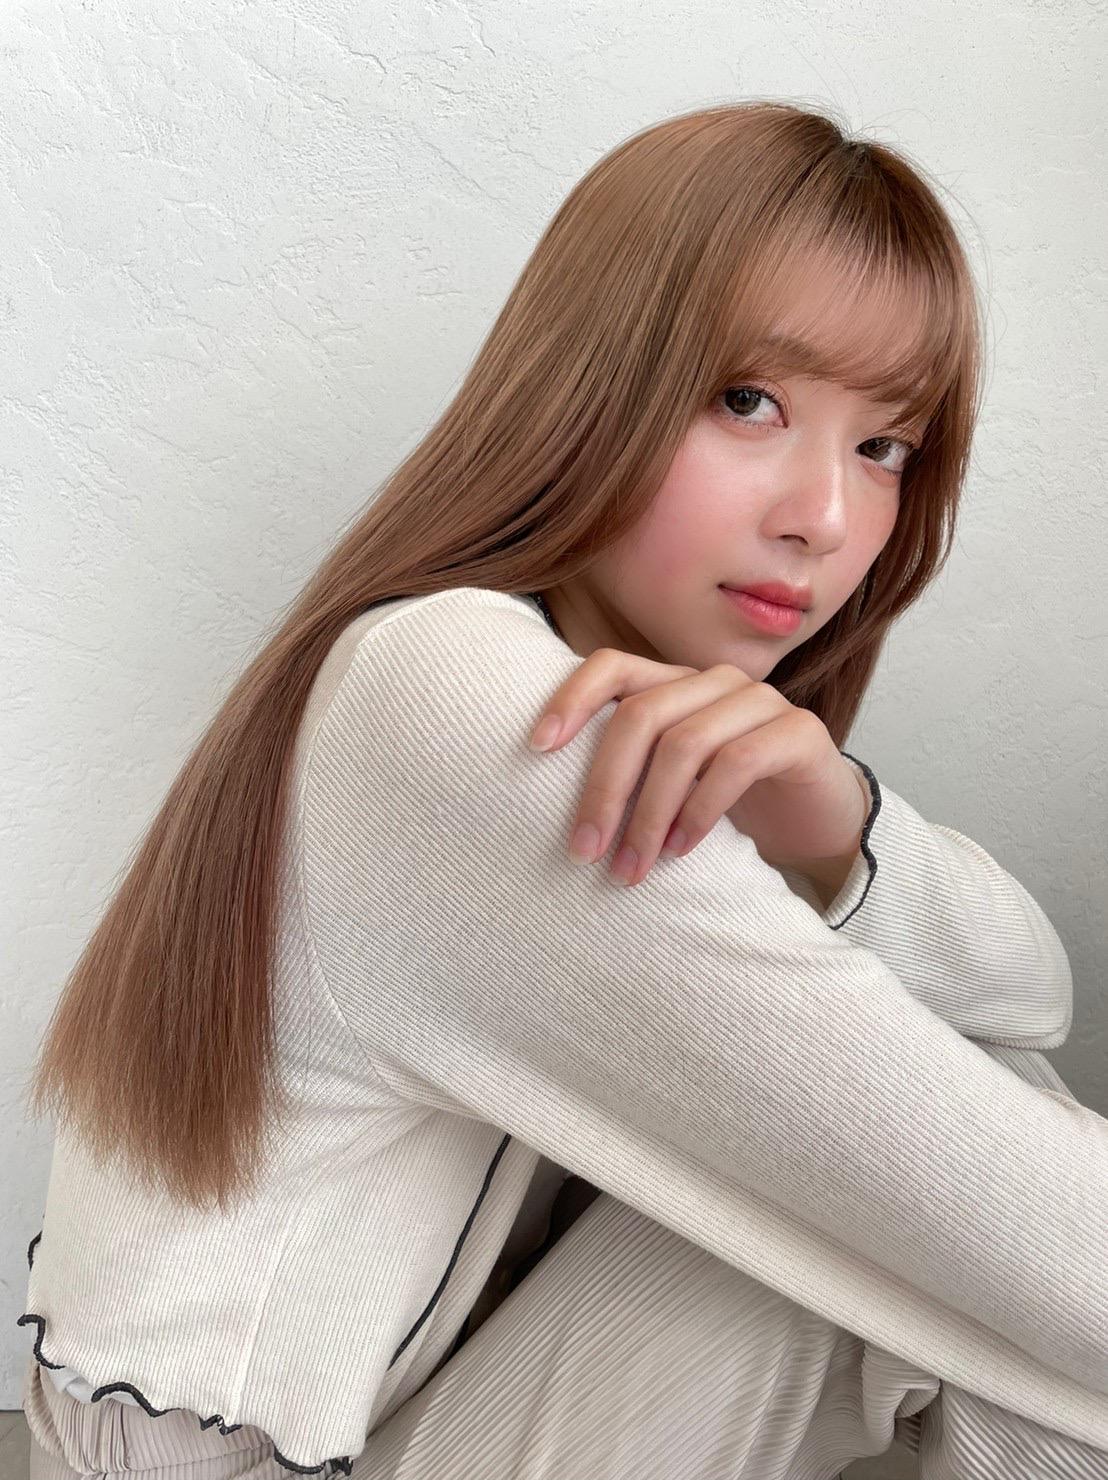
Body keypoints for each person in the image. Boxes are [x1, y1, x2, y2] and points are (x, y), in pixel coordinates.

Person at [18, 100, 1108, 1480]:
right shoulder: (484, 711)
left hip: (398, 1425)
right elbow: (1043, 1237)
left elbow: (1026, 997)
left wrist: (834, 823)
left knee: (960, 1163)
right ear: (592, 382)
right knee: (943, 1279)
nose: (825, 519)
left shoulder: (622, 701)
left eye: (884, 447)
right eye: (750, 401)